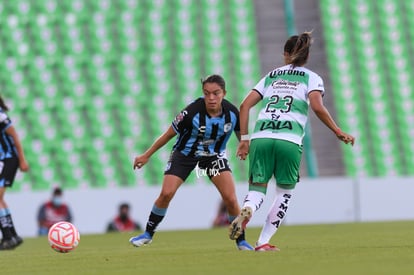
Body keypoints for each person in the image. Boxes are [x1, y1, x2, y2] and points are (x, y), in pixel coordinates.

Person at [229, 32, 355, 251]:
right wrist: (337, 131)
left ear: (285, 54)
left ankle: (248, 208)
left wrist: (244, 140)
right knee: (284, 193)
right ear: (306, 56)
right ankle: (263, 242)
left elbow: (244, 106)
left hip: (261, 137)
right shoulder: (312, 78)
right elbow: (317, 107)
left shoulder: (271, 76)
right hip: (289, 139)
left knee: (257, 189)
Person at [129, 74, 253, 250]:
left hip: (213, 157)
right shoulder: (191, 112)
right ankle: (148, 234)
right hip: (185, 155)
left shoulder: (232, 113)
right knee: (166, 194)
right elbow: (168, 135)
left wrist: (244, 144)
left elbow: (243, 137)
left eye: (216, 93)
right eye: (206, 93)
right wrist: (146, 155)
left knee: (231, 199)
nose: (211, 98)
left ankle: (241, 241)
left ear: (224, 93)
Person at [0, 96, 29, 250]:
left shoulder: (0, 115)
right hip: (3, 160)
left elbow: (15, 137)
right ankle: (13, 236)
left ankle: (7, 237)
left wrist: (22, 160)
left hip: (8, 159)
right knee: (0, 199)